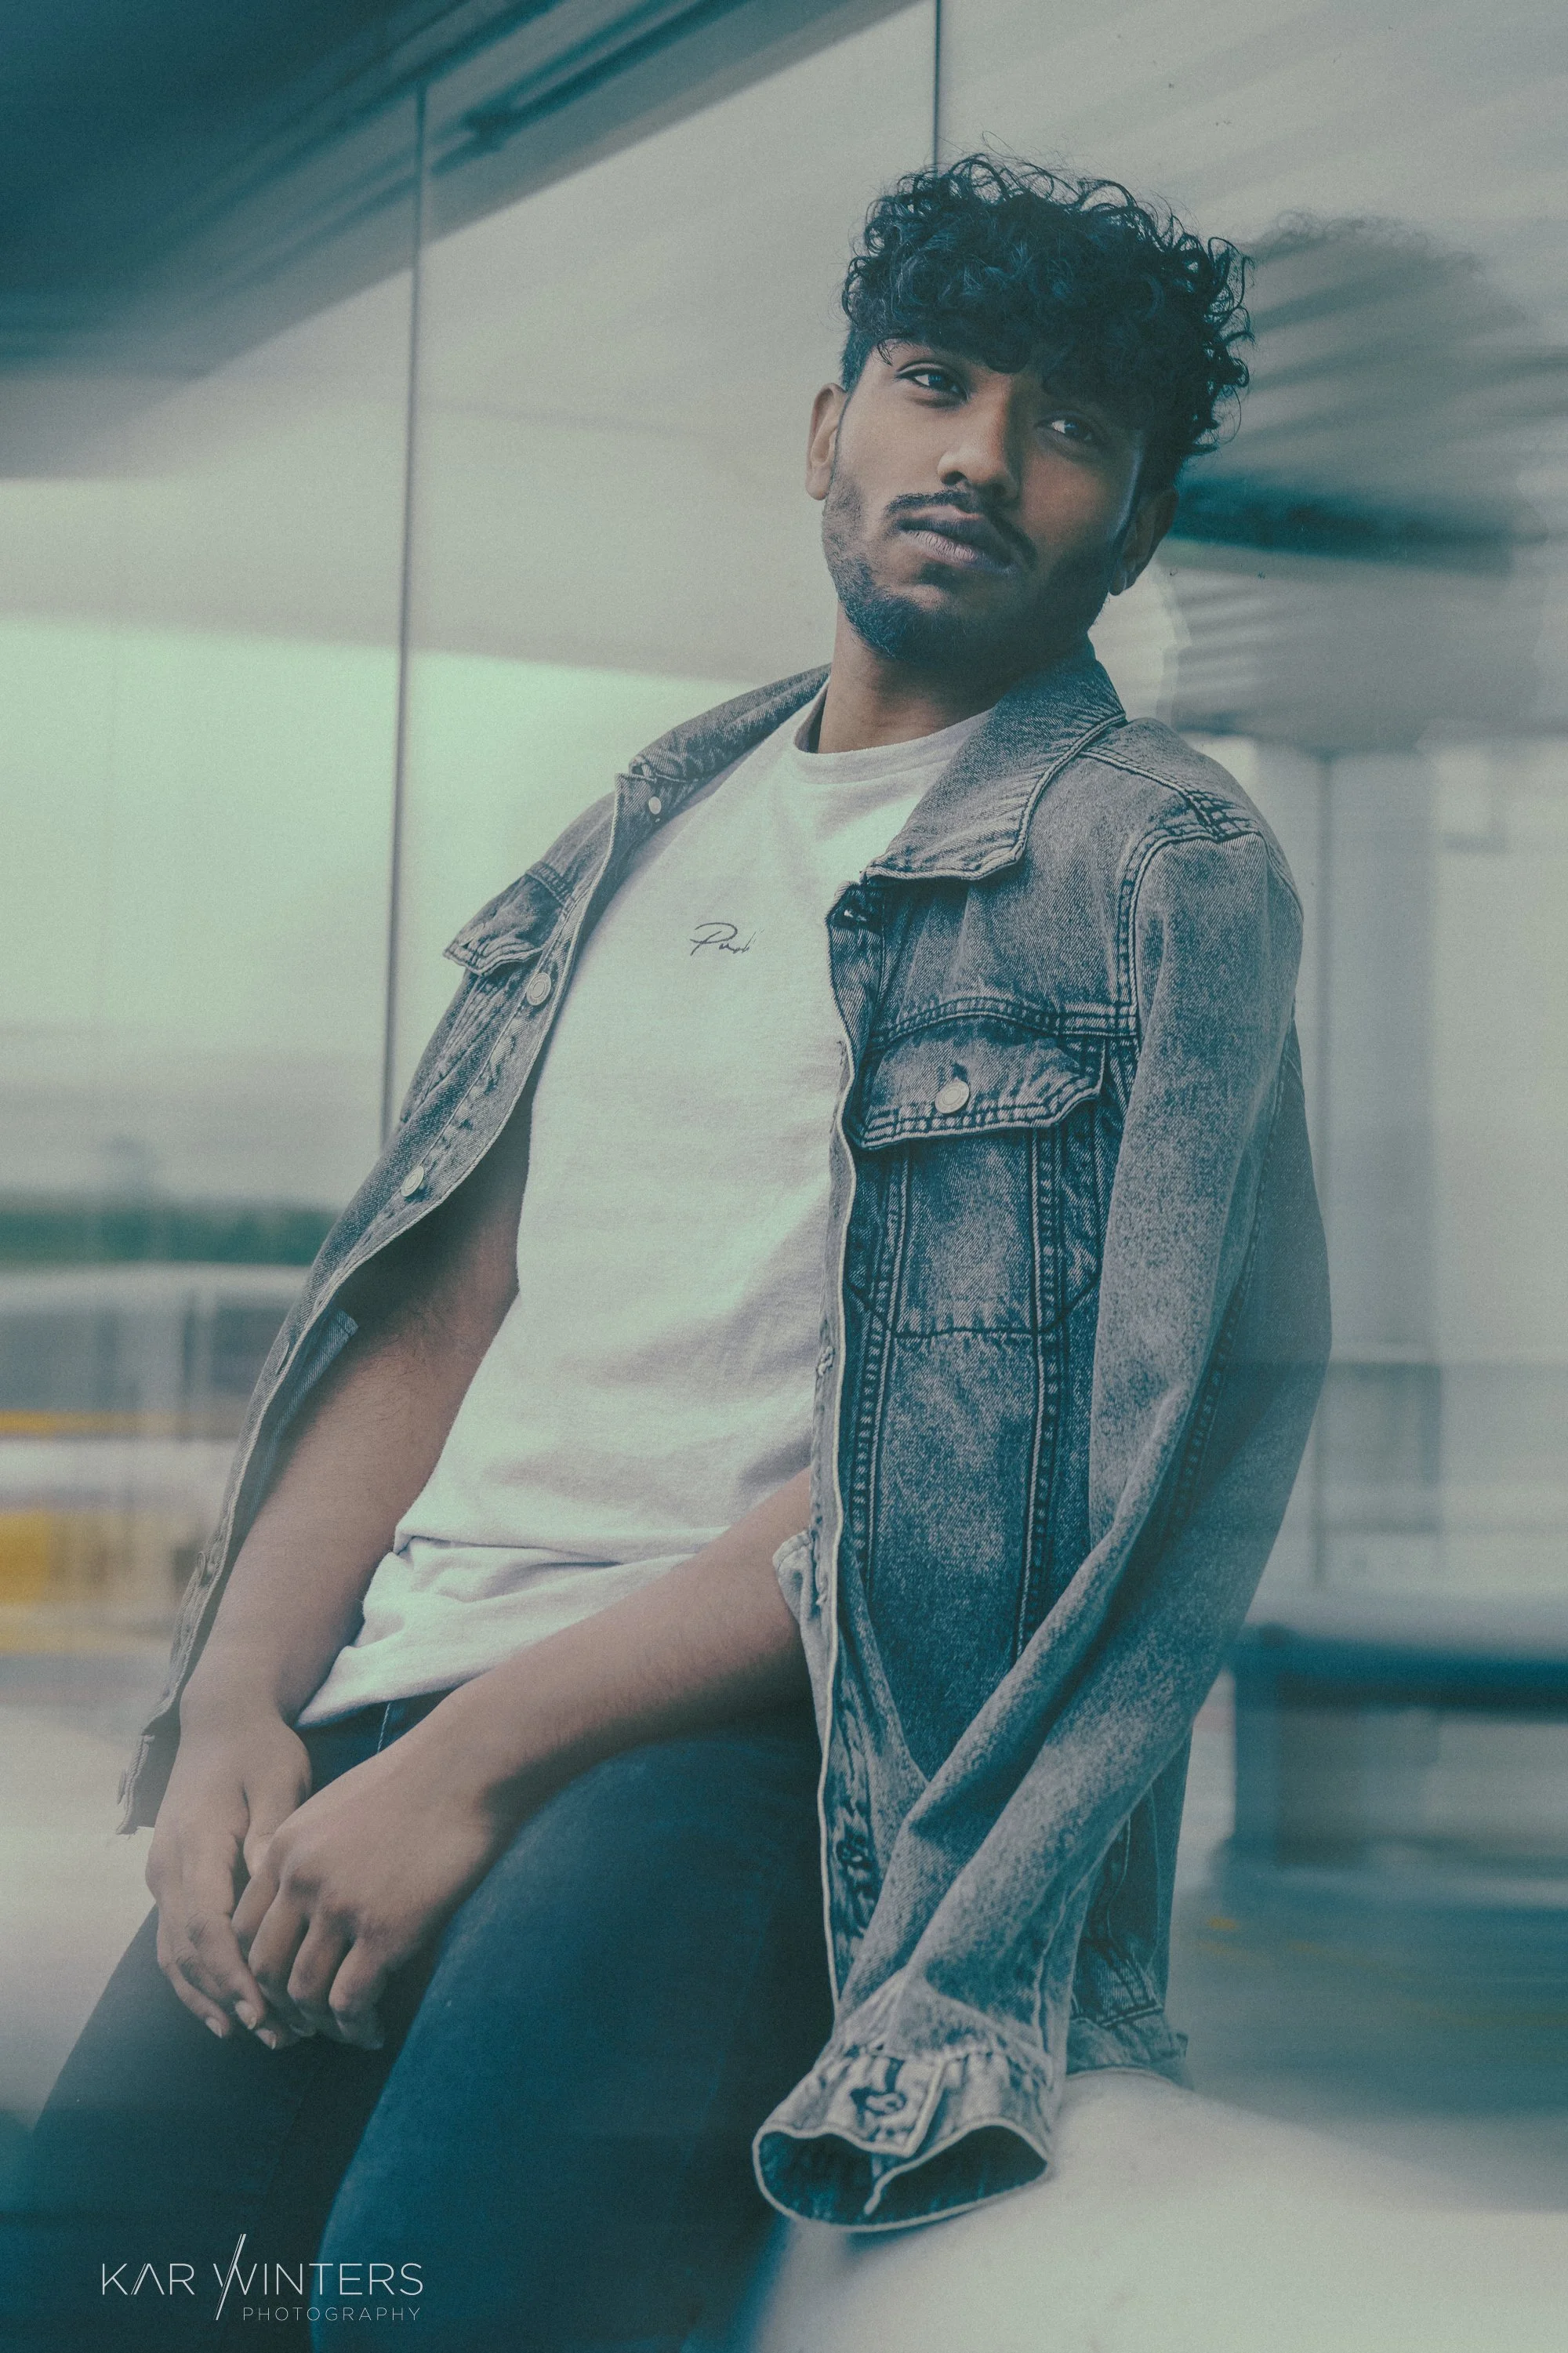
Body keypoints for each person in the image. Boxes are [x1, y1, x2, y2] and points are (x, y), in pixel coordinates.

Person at [10, 157, 1329, 2348]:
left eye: (1074, 425)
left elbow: (1020, 1493)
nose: (984, 456)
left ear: (1140, 521)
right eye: (932, 383)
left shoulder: (1156, 865)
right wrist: (244, 1701)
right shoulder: (661, 805)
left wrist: (475, 1762)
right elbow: (442, 1312)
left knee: (429, 2311)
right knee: (96, 2296)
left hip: (753, 1772)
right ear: (829, 433)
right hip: (395, 1697)